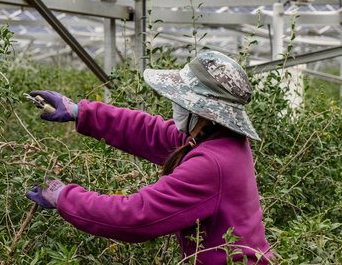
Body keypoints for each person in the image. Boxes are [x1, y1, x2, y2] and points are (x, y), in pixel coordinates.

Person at [26, 50, 274, 264]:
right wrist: (81, 112)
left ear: (201, 111)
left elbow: (135, 216)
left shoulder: (211, 164)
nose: (175, 105)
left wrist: (64, 197)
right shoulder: (219, 140)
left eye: (181, 100)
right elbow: (149, 132)